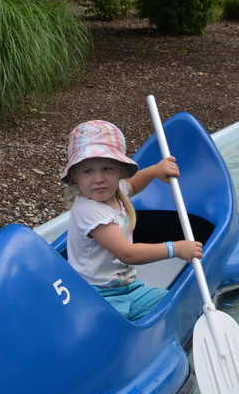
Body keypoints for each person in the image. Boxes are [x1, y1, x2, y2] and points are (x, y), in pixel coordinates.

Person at [61, 120, 203, 321]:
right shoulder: (89, 211)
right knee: (110, 327)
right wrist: (175, 248)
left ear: (120, 170)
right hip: (96, 296)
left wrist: (154, 171)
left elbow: (134, 185)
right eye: (88, 171)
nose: (99, 178)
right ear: (75, 177)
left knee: (177, 303)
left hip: (128, 288)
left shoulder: (116, 191)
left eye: (107, 168)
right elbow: (128, 254)